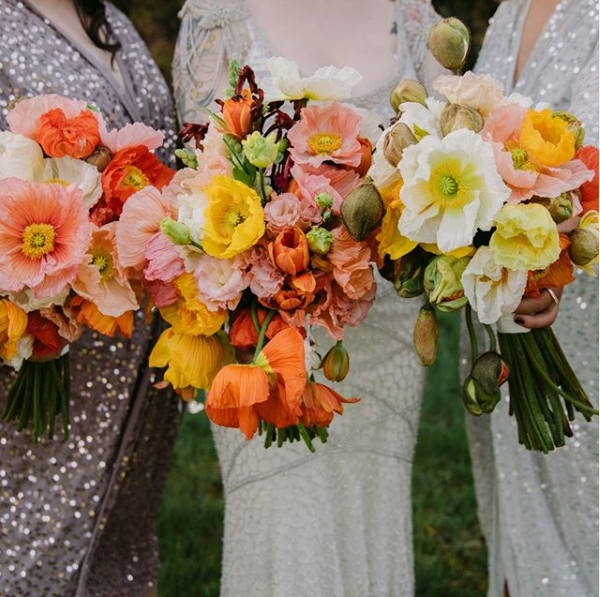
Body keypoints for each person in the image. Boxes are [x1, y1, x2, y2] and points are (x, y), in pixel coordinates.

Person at [173, 0, 446, 595]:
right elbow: (193, 185)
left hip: (382, 335)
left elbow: (457, 164)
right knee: (281, 515)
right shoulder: (216, 19)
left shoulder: (415, 19)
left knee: (371, 507)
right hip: (267, 338)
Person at [0, 1, 180, 595]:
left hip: (127, 349)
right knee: (34, 540)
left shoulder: (109, 20)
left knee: (119, 544)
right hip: (45, 352)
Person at [464, 1, 599, 595]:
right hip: (510, 309)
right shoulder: (511, 10)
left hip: (584, 314)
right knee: (523, 519)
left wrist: (559, 263)